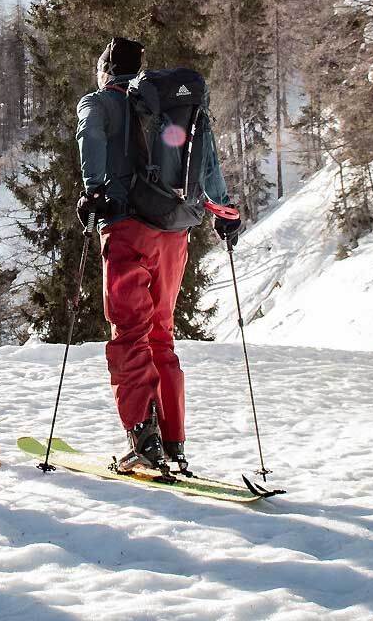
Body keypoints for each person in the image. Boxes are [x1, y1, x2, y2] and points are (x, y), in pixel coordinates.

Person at [75, 37, 240, 474]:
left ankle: (142, 440)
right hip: (175, 232)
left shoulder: (100, 102)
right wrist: (222, 208)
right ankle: (173, 443)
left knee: (129, 334)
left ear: (104, 70)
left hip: (129, 228)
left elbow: (89, 133)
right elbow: (206, 157)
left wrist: (93, 189)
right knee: (161, 335)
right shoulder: (173, 107)